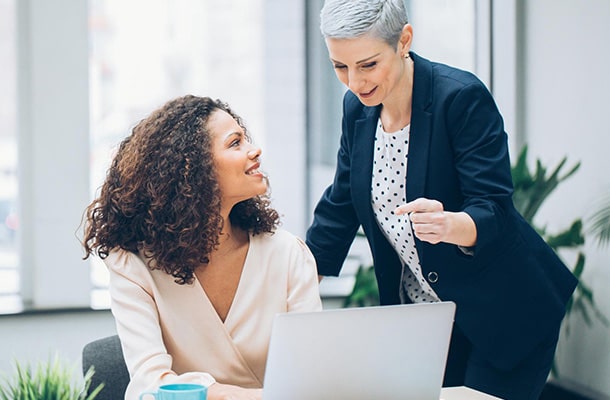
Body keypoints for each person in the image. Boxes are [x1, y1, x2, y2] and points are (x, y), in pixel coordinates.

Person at [305, 1, 578, 399]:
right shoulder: (357, 109)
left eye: (367, 65)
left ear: (404, 41)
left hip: (504, 310)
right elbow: (342, 201)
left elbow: (493, 208)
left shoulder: (460, 98)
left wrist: (452, 225)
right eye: (339, 67)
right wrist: (297, 278)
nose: (354, 82)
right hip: (429, 318)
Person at [82, 95, 322, 400]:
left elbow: (312, 379)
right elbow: (150, 384)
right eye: (235, 143)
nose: (254, 150)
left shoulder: (289, 254)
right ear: (194, 168)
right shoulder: (133, 264)